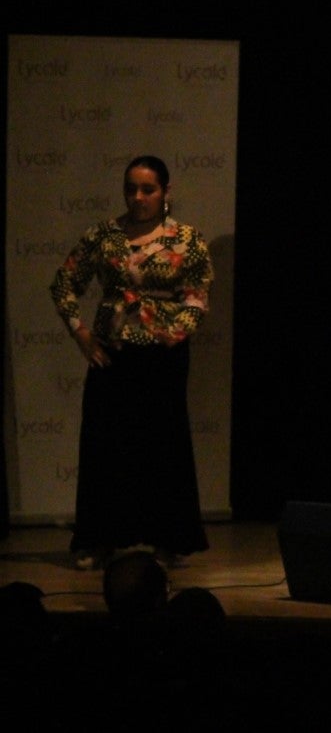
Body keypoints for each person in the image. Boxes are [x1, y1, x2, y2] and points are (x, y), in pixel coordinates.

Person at [50, 155, 213, 570]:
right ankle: (101, 538)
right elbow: (64, 282)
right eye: (131, 189)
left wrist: (172, 335)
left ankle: (167, 539)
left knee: (163, 446)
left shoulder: (186, 239)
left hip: (163, 355)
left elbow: (196, 295)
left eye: (148, 189)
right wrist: (81, 333)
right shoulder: (105, 235)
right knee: (106, 445)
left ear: (165, 192)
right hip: (113, 352)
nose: (138, 197)